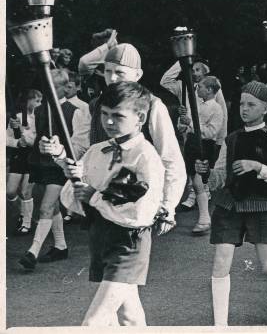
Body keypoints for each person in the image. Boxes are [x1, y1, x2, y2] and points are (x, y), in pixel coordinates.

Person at [49, 43, 185, 235]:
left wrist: (167, 207)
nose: (112, 78)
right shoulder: (95, 106)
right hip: (101, 201)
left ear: (137, 75)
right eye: (107, 71)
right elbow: (79, 151)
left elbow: (171, 159)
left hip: (135, 203)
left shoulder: (153, 106)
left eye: (119, 72)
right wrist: (60, 152)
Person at [59, 82, 165, 326]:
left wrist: (94, 196)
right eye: (104, 114)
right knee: (130, 317)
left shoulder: (146, 157)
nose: (108, 122)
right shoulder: (97, 150)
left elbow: (142, 213)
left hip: (128, 244)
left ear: (140, 117)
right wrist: (74, 179)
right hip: (100, 238)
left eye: (117, 116)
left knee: (93, 323)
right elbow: (70, 200)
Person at [195, 81, 267, 326]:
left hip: (260, 203)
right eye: (241, 103)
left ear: (265, 108)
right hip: (229, 202)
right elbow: (220, 177)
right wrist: (207, 173)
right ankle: (221, 326)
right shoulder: (231, 139)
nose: (244, 109)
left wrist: (259, 167)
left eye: (251, 105)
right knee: (221, 262)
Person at [18, 70, 77, 271]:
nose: (49, 91)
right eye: (46, 86)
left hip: (61, 165)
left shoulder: (74, 110)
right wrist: (25, 136)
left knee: (45, 207)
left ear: (65, 87)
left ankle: (32, 251)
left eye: (54, 86)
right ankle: (61, 246)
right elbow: (34, 136)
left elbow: (78, 143)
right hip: (41, 163)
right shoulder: (42, 109)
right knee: (53, 208)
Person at [160, 56, 228, 211]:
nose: (194, 73)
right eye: (192, 69)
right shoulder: (182, 86)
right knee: (191, 165)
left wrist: (220, 138)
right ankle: (202, 193)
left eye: (198, 69)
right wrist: (182, 61)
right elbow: (164, 81)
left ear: (205, 72)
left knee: (201, 164)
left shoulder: (212, 88)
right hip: (188, 132)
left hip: (207, 134)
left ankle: (196, 196)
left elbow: (222, 112)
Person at [177, 76, 225, 235]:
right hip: (191, 144)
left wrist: (190, 122)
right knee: (194, 180)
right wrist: (183, 121)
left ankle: (205, 219)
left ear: (210, 90)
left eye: (201, 87)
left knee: (198, 181)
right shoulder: (194, 104)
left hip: (204, 146)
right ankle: (204, 219)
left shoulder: (217, 109)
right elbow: (183, 127)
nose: (197, 89)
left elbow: (212, 132)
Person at [7, 89, 42, 235]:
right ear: (27, 101)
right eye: (36, 101)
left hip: (33, 157)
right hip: (18, 157)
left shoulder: (40, 117)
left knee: (26, 191)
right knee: (10, 191)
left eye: (40, 101)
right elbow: (6, 138)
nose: (39, 104)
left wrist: (23, 132)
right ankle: (23, 213)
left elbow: (35, 142)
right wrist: (16, 142)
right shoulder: (17, 117)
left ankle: (26, 223)